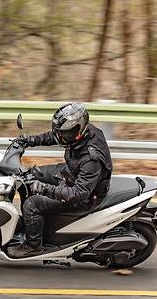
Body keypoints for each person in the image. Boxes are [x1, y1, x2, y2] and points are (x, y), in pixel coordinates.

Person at [8, 102, 113, 258]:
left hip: (83, 196)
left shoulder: (92, 159)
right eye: (60, 132)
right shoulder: (80, 133)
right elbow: (56, 136)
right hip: (71, 173)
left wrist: (44, 189)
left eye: (64, 133)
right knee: (27, 177)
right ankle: (32, 224)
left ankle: (33, 246)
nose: (60, 136)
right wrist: (30, 140)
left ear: (77, 130)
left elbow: (78, 194)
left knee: (32, 204)